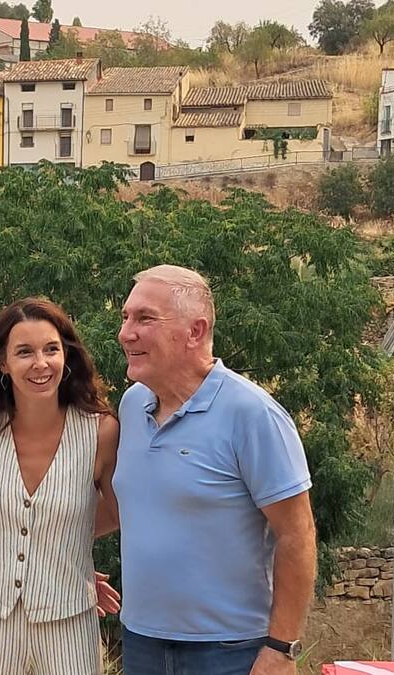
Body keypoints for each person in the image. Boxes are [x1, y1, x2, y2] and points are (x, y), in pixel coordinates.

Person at [113, 265, 317, 675]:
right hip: (141, 644)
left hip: (228, 652)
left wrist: (281, 648)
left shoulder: (252, 414)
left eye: (144, 319)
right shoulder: (132, 405)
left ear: (195, 331)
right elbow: (134, 506)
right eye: (125, 317)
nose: (125, 333)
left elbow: (297, 534)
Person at [0, 297, 121, 675]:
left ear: (67, 354)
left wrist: (58, 545)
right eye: (24, 352)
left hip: (69, 619)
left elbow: (115, 509)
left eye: (51, 349)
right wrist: (13, 544)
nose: (41, 363)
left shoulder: (101, 430)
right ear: (3, 362)